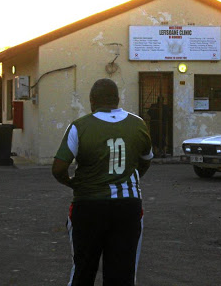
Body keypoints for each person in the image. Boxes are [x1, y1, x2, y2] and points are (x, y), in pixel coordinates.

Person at [52, 78, 153, 286]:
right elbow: (146, 160)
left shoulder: (80, 126)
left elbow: (58, 168)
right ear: (117, 99)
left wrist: (72, 183)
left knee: (83, 269)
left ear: (91, 101)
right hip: (128, 205)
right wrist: (131, 180)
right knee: (122, 274)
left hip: (89, 204)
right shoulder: (138, 124)